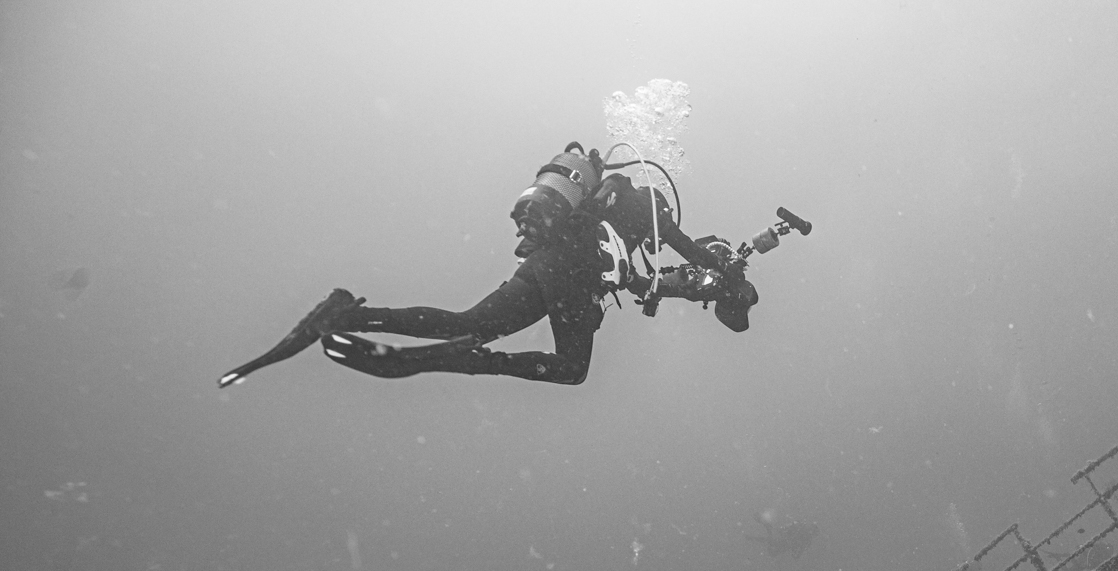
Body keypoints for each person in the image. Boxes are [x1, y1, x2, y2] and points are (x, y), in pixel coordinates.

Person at [217, 143, 755, 388]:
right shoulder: (647, 211)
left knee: (469, 322)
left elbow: (641, 279)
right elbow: (692, 255)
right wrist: (725, 273)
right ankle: (465, 361)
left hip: (547, 262)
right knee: (571, 369)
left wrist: (681, 286)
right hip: (569, 274)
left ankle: (345, 314)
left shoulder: (606, 216)